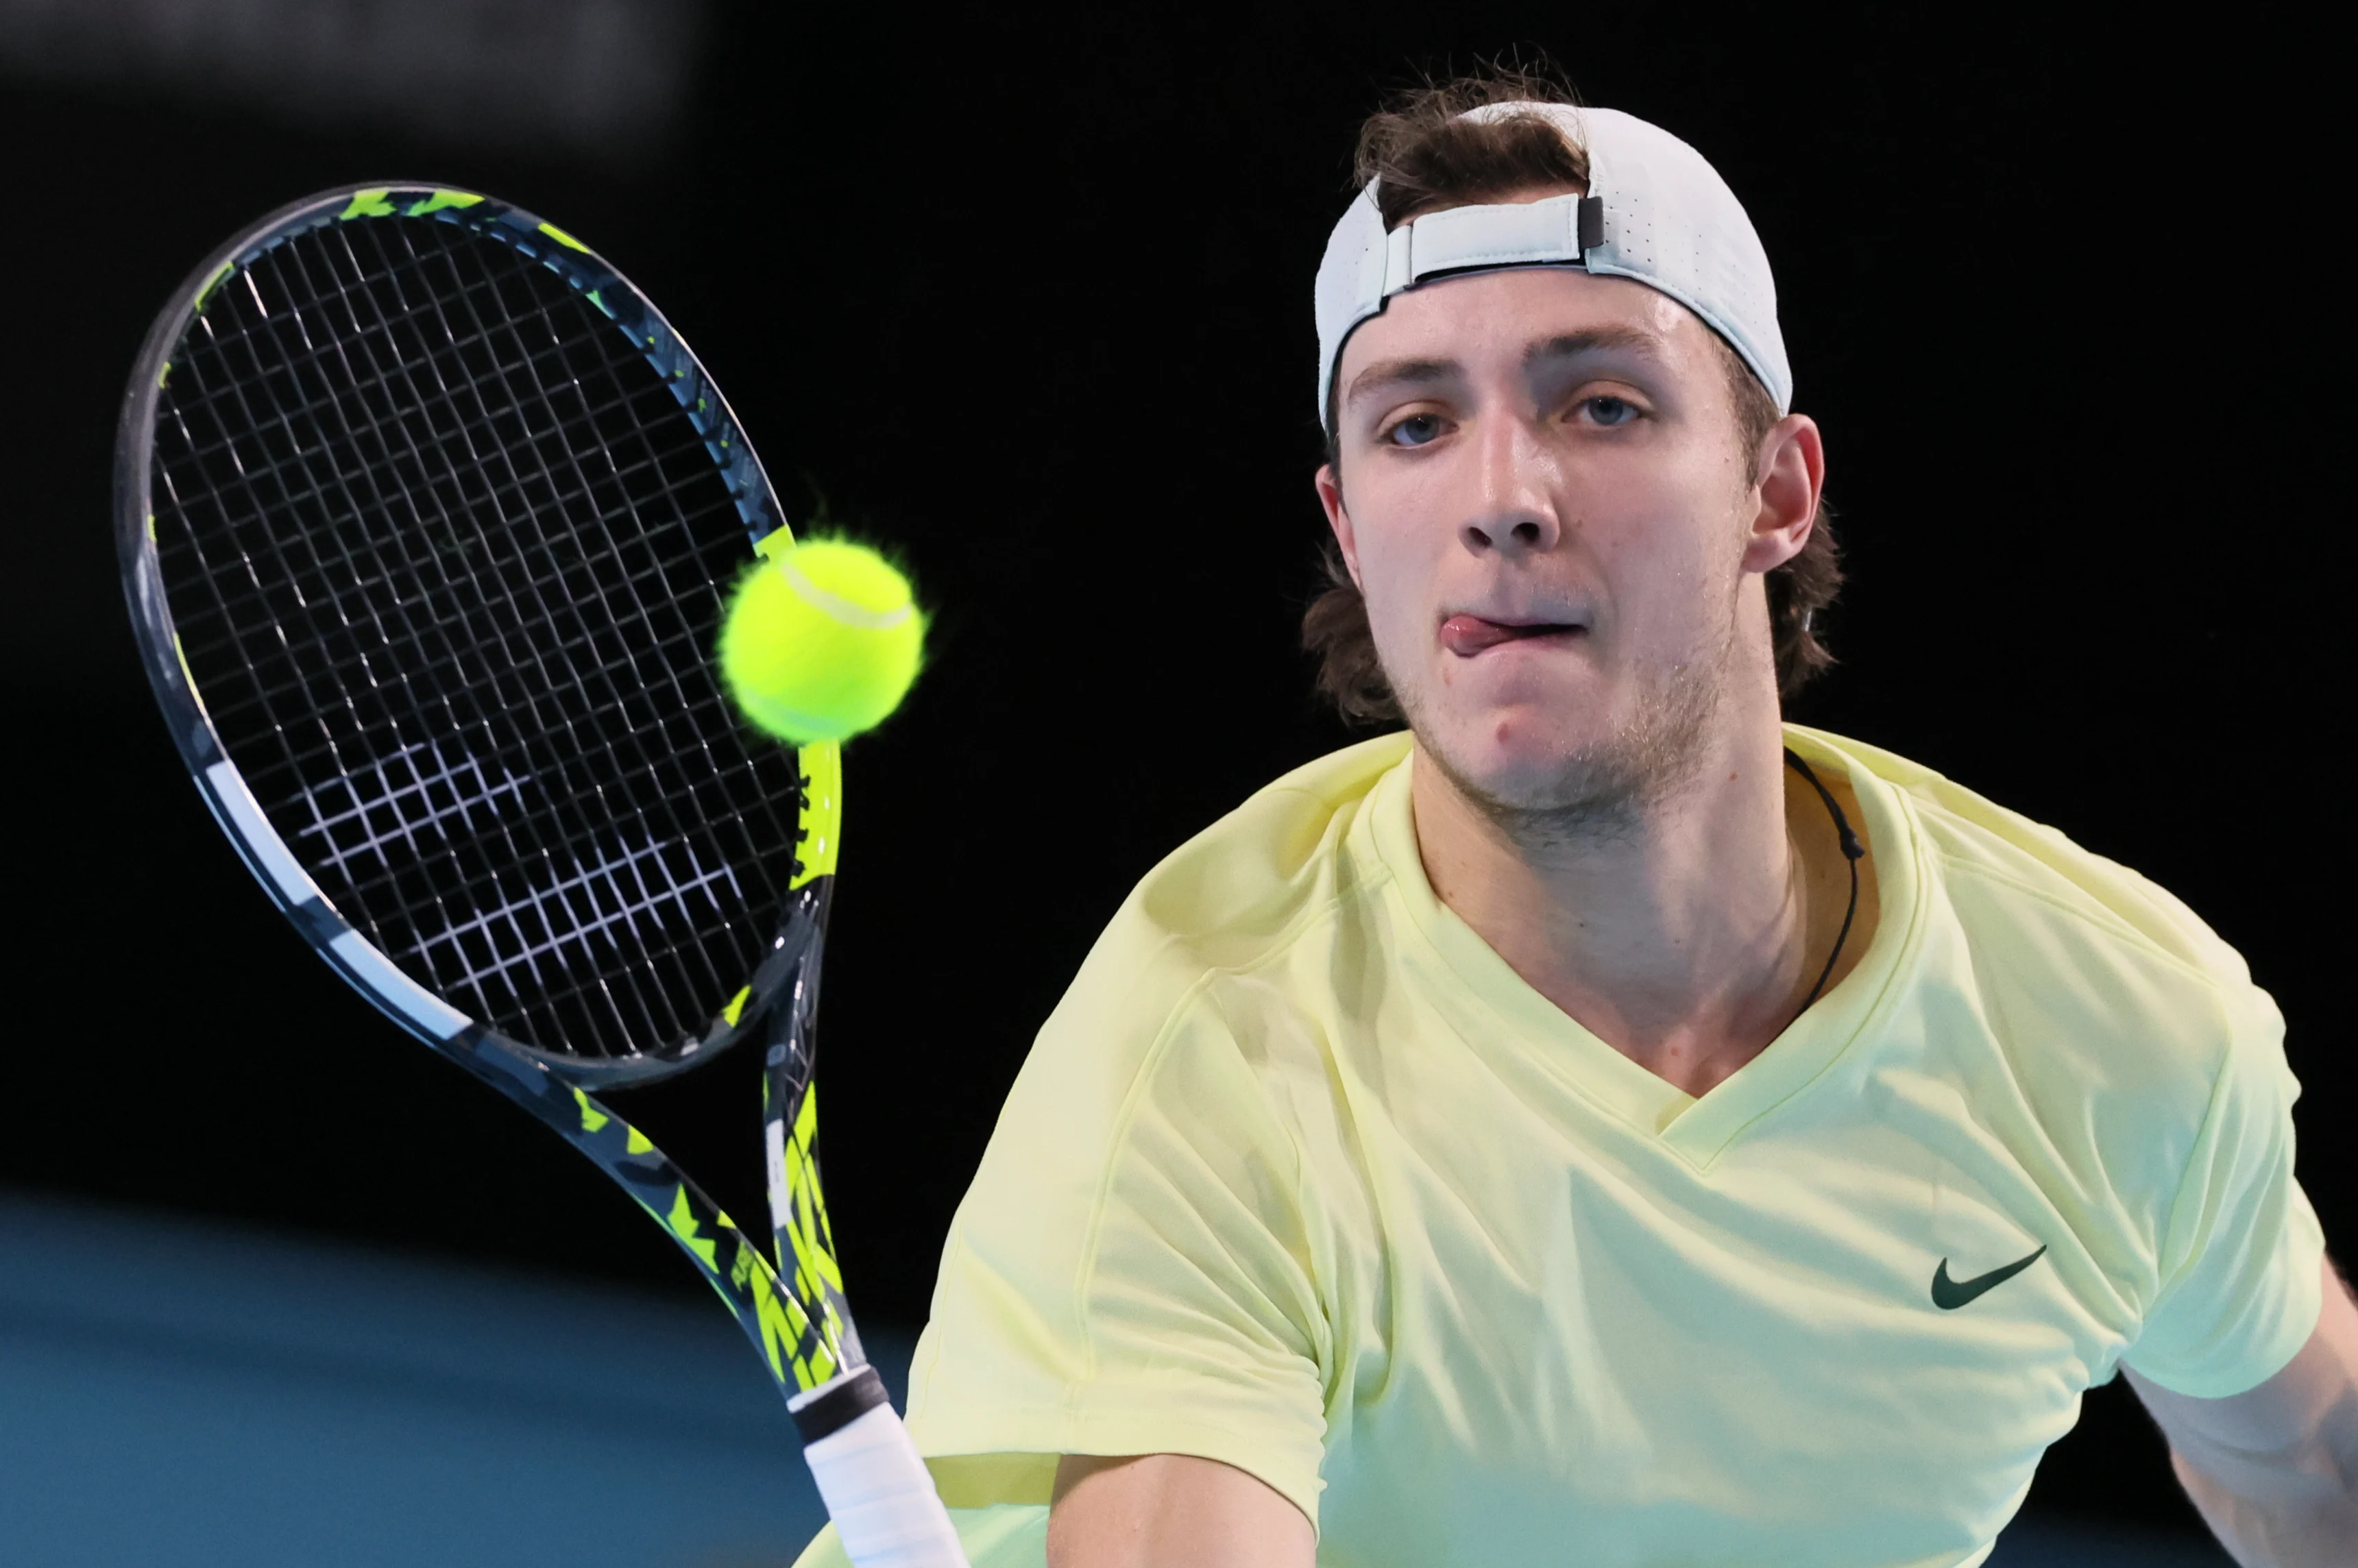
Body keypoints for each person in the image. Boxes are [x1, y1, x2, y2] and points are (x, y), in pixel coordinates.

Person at [794, 71, 2357, 1567]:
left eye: (1599, 404)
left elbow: (2300, 1462)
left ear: (1774, 489)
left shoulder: (2110, 1026)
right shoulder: (1217, 1059)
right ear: (1346, 528)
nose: (1501, 495)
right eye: (1413, 425)